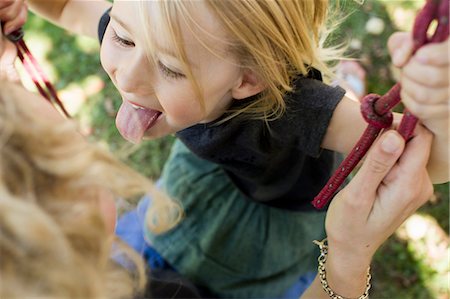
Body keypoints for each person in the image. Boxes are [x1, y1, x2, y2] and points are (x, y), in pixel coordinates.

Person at [2, 0, 448, 297]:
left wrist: (441, 111)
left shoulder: (287, 112)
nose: (126, 76)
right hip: (203, 177)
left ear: (248, 79)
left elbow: (424, 159)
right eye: (121, 38)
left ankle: (344, 88)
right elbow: (63, 5)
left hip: (261, 223)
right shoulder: (149, 22)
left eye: (170, 69)